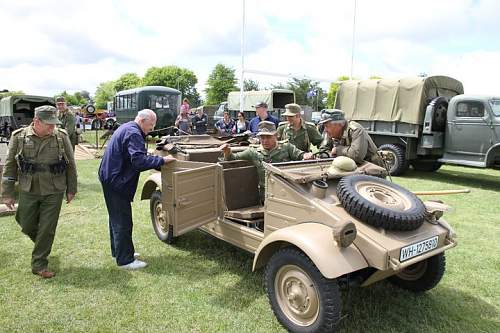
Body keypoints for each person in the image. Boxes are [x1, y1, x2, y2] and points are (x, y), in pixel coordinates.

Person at [1, 105, 77, 278]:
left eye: (54, 124)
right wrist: (7, 193)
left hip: (54, 188)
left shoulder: (61, 136)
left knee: (47, 227)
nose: (52, 127)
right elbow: (10, 166)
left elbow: (71, 164)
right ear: (36, 121)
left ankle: (39, 264)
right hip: (29, 187)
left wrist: (72, 188)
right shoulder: (19, 136)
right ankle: (42, 244)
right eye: (48, 124)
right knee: (25, 222)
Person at [99, 109, 176, 270]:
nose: (152, 128)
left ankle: (119, 252)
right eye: (150, 125)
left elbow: (133, 153)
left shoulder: (128, 127)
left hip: (110, 177)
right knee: (122, 221)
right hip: (116, 180)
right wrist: (162, 160)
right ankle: (125, 260)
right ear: (142, 121)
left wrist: (148, 154)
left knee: (116, 218)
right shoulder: (134, 133)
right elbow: (139, 161)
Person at [220, 121, 313, 201]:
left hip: (286, 192)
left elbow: (300, 155)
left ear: (276, 136)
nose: (265, 141)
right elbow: (233, 158)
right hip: (265, 195)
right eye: (262, 137)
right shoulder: (254, 151)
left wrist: (306, 155)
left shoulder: (286, 147)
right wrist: (227, 151)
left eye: (268, 137)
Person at [318, 109, 383, 166]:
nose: (325, 130)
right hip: (351, 168)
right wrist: (331, 155)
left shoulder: (356, 130)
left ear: (339, 125)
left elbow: (356, 156)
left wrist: (337, 150)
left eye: (327, 126)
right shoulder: (330, 132)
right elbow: (322, 151)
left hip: (371, 168)